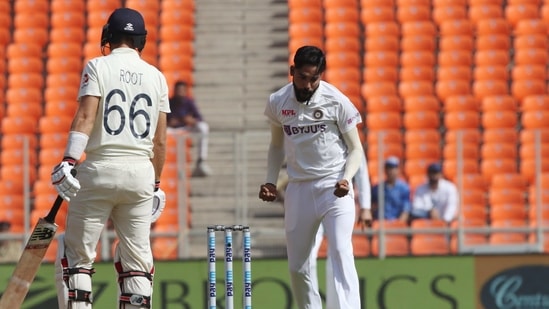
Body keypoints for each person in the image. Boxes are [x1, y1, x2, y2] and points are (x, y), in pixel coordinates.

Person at [50, 8, 169, 309]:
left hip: (100, 170)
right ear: (141, 40)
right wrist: (155, 184)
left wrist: (68, 160)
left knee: (77, 258)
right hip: (141, 175)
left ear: (108, 36)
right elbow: (160, 141)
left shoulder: (98, 66)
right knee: (137, 262)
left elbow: (86, 116)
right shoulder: (157, 77)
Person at [259, 45, 364, 309]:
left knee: (340, 251)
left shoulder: (336, 100)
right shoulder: (277, 102)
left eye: (314, 78)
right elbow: (276, 146)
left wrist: (347, 178)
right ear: (292, 71)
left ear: (321, 75)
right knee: (297, 266)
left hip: (334, 187)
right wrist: (271, 180)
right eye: (303, 77)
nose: (307, 85)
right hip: (299, 188)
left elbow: (356, 150)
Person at [310, 155, 372, 309]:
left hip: (339, 203)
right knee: (308, 257)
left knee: (338, 254)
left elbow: (361, 170)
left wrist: (365, 207)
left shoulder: (347, 132)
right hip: (312, 201)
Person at [167, 81, 212, 177]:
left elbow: (199, 118)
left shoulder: (189, 102)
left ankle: (201, 160)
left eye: (182, 90)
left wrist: (191, 120)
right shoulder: (169, 102)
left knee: (203, 127)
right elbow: (164, 120)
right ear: (174, 91)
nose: (180, 92)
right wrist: (169, 122)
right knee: (161, 133)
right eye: (178, 90)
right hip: (173, 129)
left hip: (187, 128)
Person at [371, 156, 411, 222]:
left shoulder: (404, 188)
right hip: (380, 223)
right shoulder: (377, 188)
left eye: (394, 168)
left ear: (398, 170)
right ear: (385, 170)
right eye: (388, 168)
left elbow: (405, 211)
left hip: (396, 223)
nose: (391, 171)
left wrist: (398, 225)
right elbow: (372, 208)